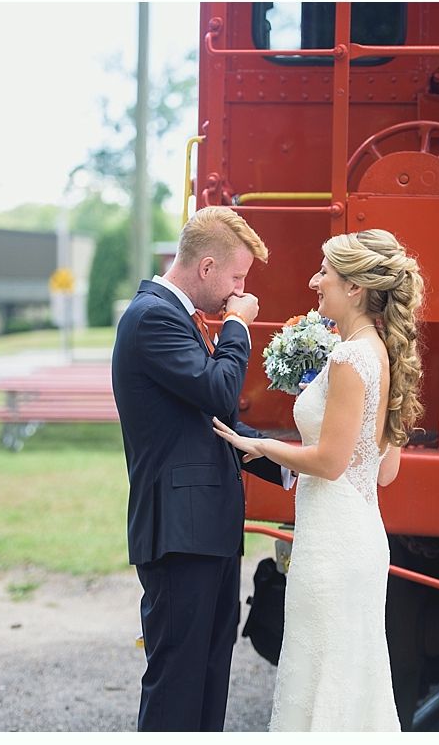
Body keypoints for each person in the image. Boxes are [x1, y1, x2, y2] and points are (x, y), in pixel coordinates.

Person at [214, 229, 424, 731]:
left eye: (324, 272)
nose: (315, 281)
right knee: (351, 675)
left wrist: (259, 446)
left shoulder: (350, 358)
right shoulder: (380, 352)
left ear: (353, 287)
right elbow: (386, 471)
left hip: (332, 542)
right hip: (361, 532)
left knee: (321, 671)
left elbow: (330, 463)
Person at [112, 205, 288, 731]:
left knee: (210, 677)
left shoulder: (178, 318)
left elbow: (213, 422)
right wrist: (237, 327)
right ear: (206, 268)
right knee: (177, 683)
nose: (240, 291)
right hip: (179, 533)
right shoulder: (152, 317)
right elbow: (219, 389)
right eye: (236, 277)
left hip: (204, 529)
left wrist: (287, 463)